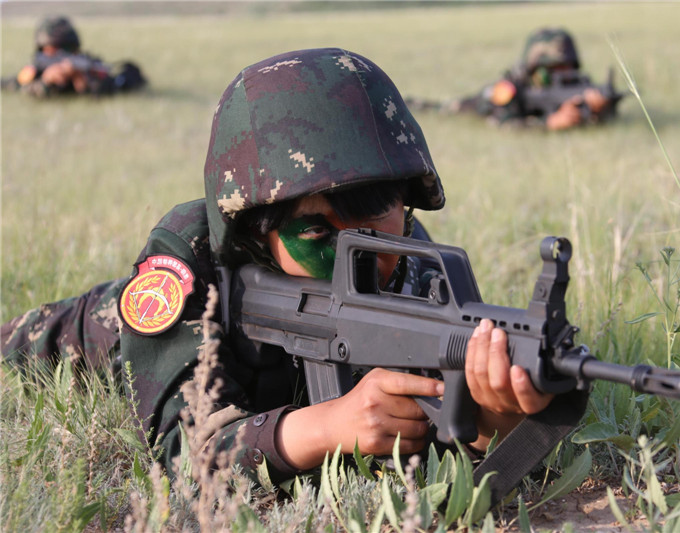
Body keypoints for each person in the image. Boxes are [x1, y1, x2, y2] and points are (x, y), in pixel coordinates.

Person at [1, 48, 553, 483]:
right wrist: (323, 428)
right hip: (101, 332)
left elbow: (445, 430)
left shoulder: (417, 267)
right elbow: (184, 454)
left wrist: (492, 424)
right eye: (315, 231)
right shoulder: (189, 259)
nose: (355, 255)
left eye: (376, 218)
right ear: (254, 231)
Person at [409, 28, 620, 131]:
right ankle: (410, 104)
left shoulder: (577, 86)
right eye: (552, 69)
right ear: (534, 67)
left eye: (566, 68)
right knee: (442, 109)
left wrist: (597, 110)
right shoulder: (508, 89)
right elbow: (503, 124)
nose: (561, 75)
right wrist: (549, 123)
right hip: (480, 107)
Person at [1, 15, 146, 97]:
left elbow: (113, 85)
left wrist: (82, 80)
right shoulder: (37, 68)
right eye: (52, 50)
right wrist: (46, 81)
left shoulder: (87, 65)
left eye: (66, 49)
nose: (60, 55)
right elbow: (20, 86)